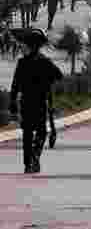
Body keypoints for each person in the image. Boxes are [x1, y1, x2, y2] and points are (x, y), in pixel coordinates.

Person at [10, 28, 63, 173]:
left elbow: (15, 85)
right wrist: (48, 80)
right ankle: (35, 155)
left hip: (26, 102)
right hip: (40, 102)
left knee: (27, 134)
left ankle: (28, 164)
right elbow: (59, 75)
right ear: (39, 46)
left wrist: (12, 103)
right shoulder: (45, 62)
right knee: (41, 132)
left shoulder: (22, 63)